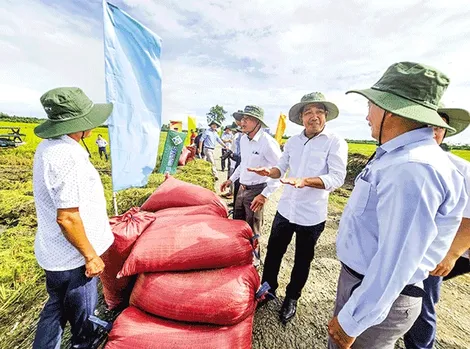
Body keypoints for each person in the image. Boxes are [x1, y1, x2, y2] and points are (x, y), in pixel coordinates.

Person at [327, 62, 468, 349]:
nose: (367, 115)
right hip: (364, 285)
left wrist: (354, 319)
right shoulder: (399, 157)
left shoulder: (412, 169)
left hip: (377, 295)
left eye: (372, 105)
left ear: (391, 110)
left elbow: (396, 260)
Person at [249, 92, 348, 323]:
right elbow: (280, 168)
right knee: (274, 252)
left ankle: (292, 297)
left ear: (325, 116)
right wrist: (268, 172)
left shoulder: (335, 142)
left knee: (303, 260)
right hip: (285, 210)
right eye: (308, 112)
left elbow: (337, 177)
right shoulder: (293, 141)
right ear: (301, 118)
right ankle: (268, 288)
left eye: (318, 112)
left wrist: (305, 181)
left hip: (311, 214)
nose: (314, 117)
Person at [32, 87, 115, 348]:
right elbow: (67, 217)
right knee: (84, 325)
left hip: (53, 254)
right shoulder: (69, 157)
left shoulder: (47, 147)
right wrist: (90, 256)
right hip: (74, 261)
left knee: (55, 311)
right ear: (77, 125)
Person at [404, 105, 470, 349]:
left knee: (422, 306)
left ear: (445, 132)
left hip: (430, 252)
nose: (432, 131)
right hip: (402, 246)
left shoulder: (460, 169)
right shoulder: (405, 161)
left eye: (438, 127)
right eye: (426, 125)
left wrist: (451, 254)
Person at [220, 105, 282, 260]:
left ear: (257, 122)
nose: (242, 122)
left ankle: (254, 261)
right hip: (241, 189)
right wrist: (231, 179)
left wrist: (265, 195)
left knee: (252, 230)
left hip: (256, 192)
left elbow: (280, 170)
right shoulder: (243, 139)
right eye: (242, 118)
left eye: (247, 119)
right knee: (238, 225)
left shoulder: (267, 142)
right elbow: (243, 164)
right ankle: (238, 257)